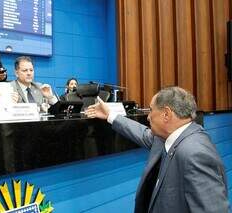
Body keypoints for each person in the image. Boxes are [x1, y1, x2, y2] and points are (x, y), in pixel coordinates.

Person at [85, 86, 229, 213]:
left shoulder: (195, 153)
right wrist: (110, 115)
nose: (148, 117)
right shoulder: (169, 137)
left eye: (151, 110)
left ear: (166, 114)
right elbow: (143, 134)